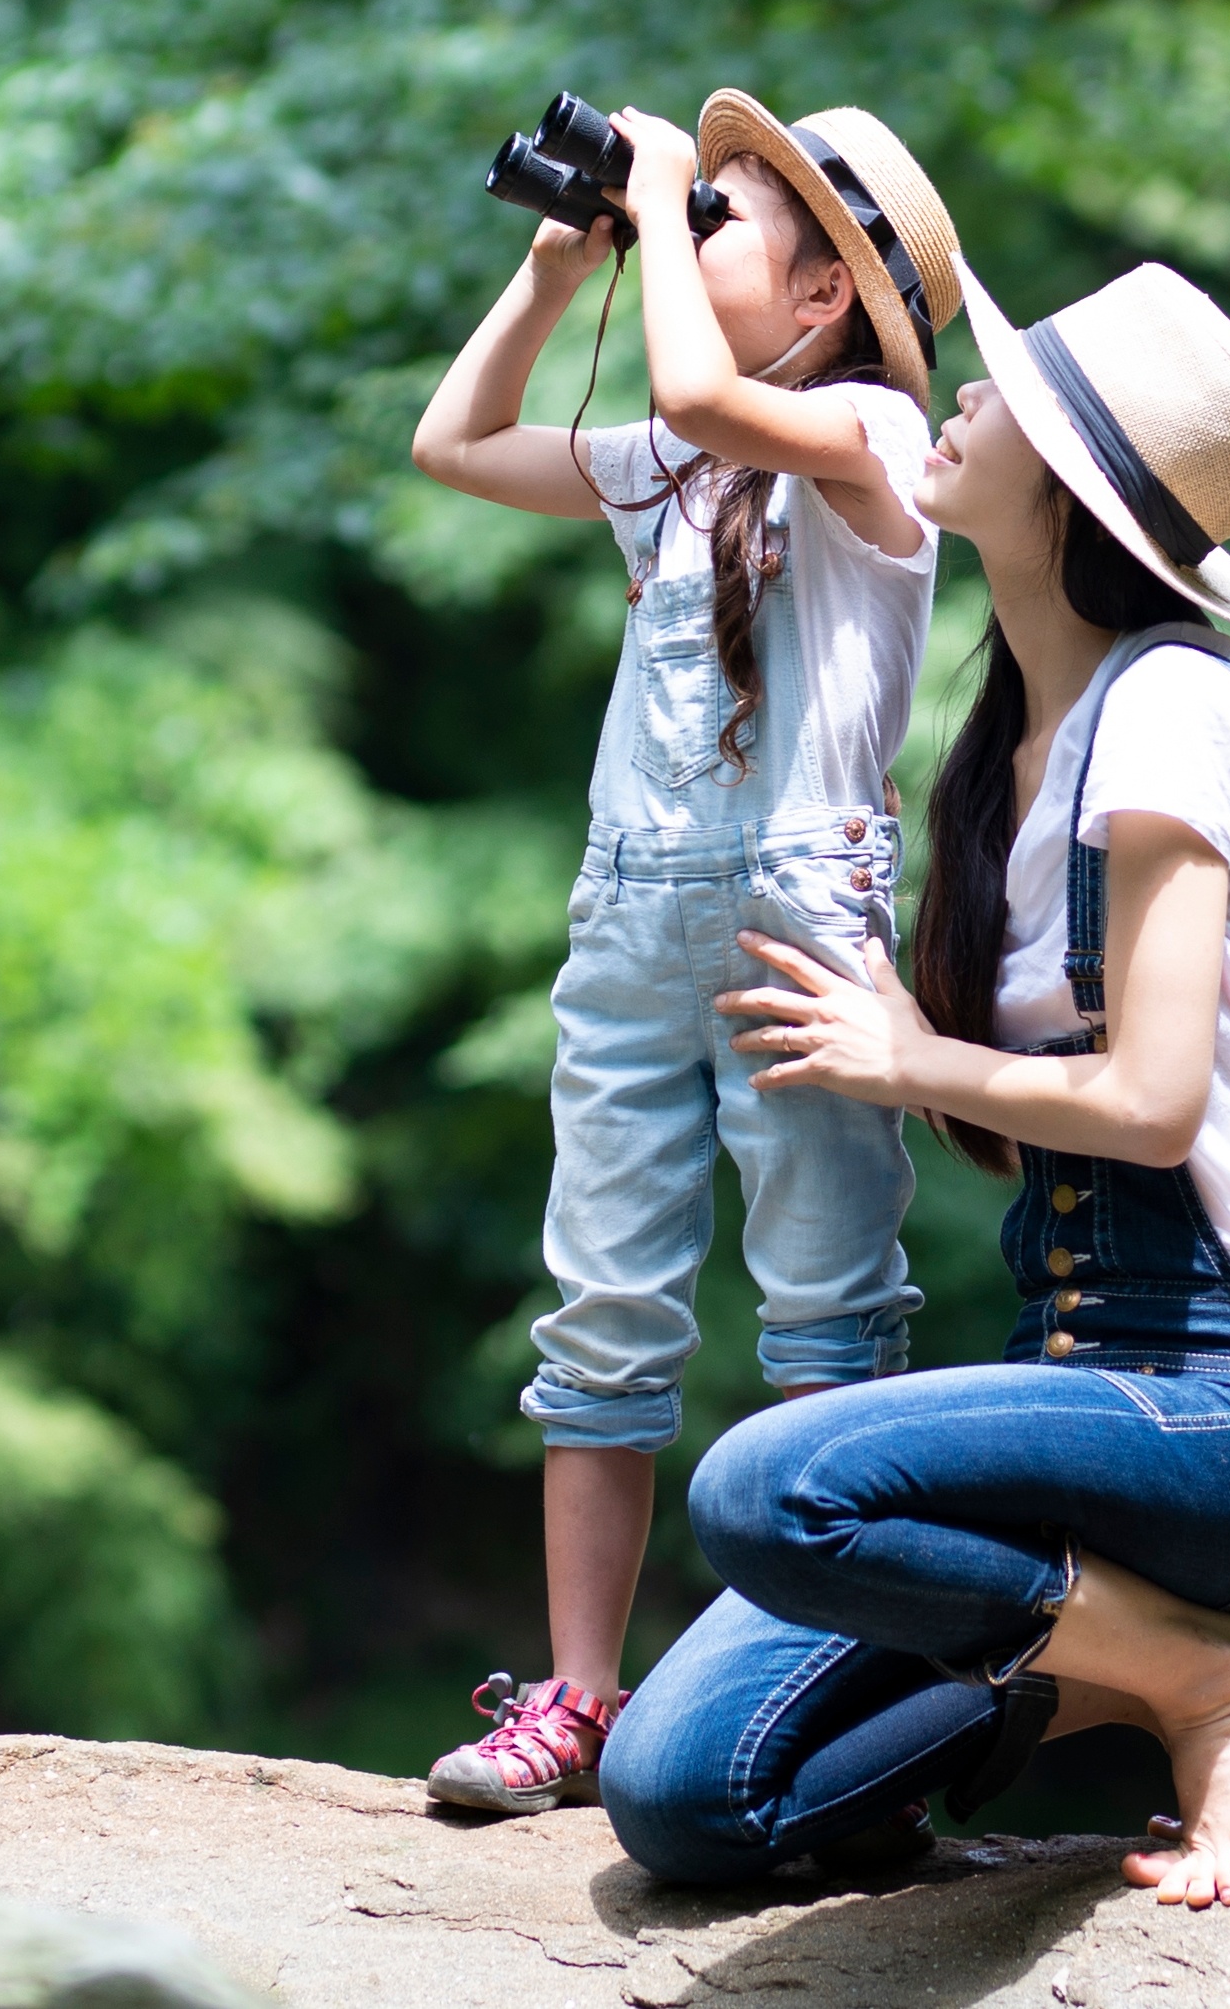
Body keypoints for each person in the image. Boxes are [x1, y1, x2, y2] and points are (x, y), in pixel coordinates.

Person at [594, 255, 1230, 1909]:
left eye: (1005, 398)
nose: (959, 399)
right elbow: (1011, 1120)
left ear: (1073, 490)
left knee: (768, 1482)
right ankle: (1111, 1662)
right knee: (687, 1796)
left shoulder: (1177, 705)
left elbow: (1153, 1102)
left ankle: (1219, 1675)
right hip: (1085, 1397)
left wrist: (907, 1054)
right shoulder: (1002, 744)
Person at [407, 92, 968, 1814]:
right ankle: (578, 1694)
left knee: (823, 1310)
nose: (685, 227)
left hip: (797, 922)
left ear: (821, 301)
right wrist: (555, 271)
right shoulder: (680, 463)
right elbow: (454, 443)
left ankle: (810, 1676)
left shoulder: (872, 430)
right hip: (632, 916)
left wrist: (656, 189)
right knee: (604, 1307)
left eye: (722, 219)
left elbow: (696, 391)